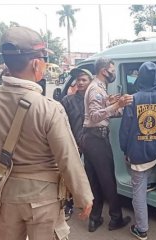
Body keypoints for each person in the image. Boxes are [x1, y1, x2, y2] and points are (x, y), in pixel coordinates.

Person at [0, 26, 93, 240]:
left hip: (6, 194)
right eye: (44, 59)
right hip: (44, 199)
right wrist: (84, 197)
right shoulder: (49, 108)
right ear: (36, 63)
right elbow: (67, 158)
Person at [119, 62, 156, 240]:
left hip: (137, 151)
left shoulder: (132, 99)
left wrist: (124, 149)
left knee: (138, 194)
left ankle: (141, 229)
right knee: (147, 173)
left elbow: (125, 129)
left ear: (140, 77)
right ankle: (149, 182)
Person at [82, 57, 133, 232]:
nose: (113, 73)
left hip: (91, 138)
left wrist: (117, 105)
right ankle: (116, 219)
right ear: (104, 70)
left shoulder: (100, 89)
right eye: (112, 69)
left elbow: (106, 113)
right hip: (96, 139)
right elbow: (96, 116)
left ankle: (95, 218)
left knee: (95, 180)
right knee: (108, 180)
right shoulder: (96, 89)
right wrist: (117, 104)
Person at [61, 68, 93, 220]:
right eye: (78, 80)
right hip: (74, 143)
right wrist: (71, 142)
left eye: (84, 80)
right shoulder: (67, 100)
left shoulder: (95, 99)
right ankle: (68, 205)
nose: (80, 83)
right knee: (70, 175)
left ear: (90, 82)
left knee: (92, 174)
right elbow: (62, 124)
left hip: (93, 143)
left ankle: (90, 203)